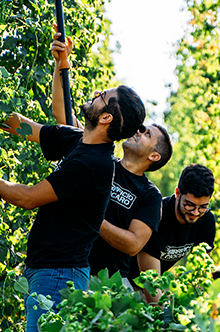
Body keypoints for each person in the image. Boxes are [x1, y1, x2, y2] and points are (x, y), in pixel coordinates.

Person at [0, 64, 146, 332]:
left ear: (106, 117)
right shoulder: (77, 140)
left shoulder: (93, 164)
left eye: (102, 96)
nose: (96, 93)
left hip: (59, 276)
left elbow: (29, 198)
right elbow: (18, 124)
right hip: (47, 270)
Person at [51, 34, 173, 283]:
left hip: (111, 287)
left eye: (146, 133)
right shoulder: (100, 160)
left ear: (154, 155)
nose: (138, 131)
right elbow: (63, 115)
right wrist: (60, 64)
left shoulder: (149, 195)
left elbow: (133, 245)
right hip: (71, 271)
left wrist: (92, 217)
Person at [130, 163, 216, 302]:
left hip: (157, 284)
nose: (195, 212)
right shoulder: (158, 215)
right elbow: (150, 283)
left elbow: (203, 272)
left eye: (203, 207)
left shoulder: (206, 220)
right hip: (128, 279)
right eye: (189, 204)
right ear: (177, 193)